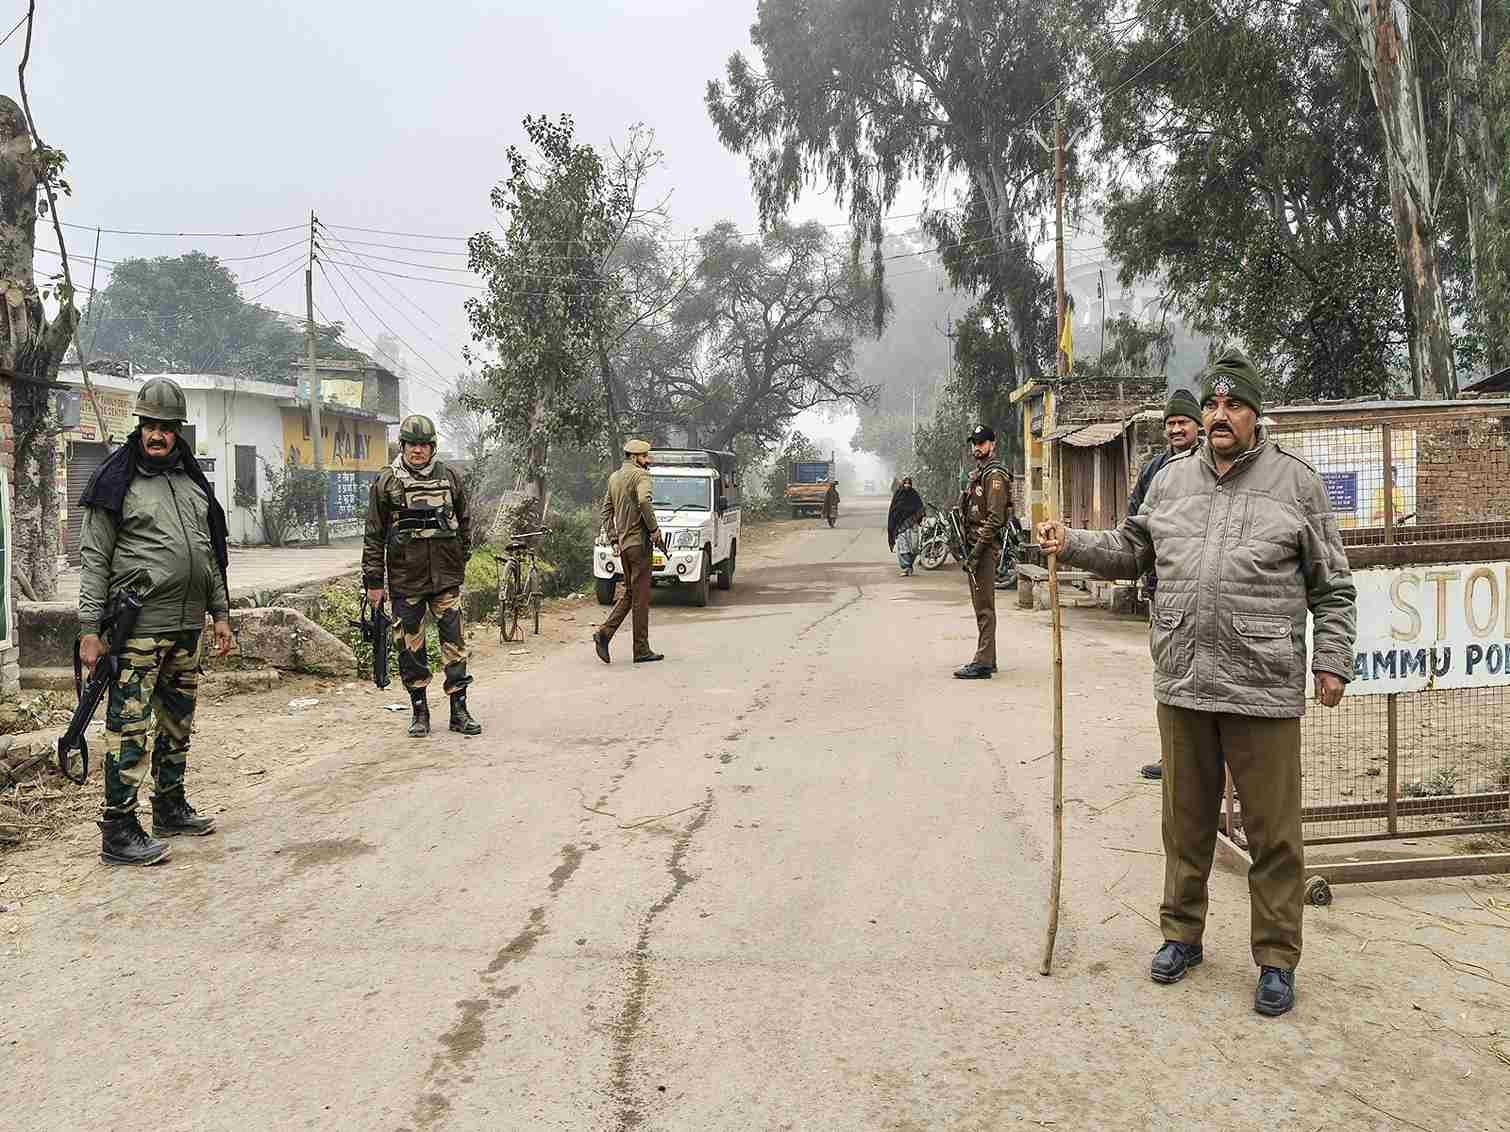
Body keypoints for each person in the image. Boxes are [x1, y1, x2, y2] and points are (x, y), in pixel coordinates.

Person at [1037, 347, 1356, 1018]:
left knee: (1274, 834)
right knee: (1184, 824)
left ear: (1255, 414)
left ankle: (1276, 958)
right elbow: (1131, 550)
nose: (1219, 415)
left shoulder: (1296, 484)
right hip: (1182, 678)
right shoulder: (1171, 480)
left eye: (1233, 405)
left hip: (1262, 685)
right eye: (1211, 404)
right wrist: (1071, 542)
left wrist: (1331, 660)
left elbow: (1333, 587)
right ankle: (1181, 935)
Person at [77, 377, 234, 866]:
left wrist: (221, 613)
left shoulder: (191, 482)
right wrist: (89, 629)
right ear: (139, 426)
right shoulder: (115, 481)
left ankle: (169, 806)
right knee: (130, 729)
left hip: (187, 626)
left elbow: (208, 555)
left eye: (166, 427)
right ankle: (119, 830)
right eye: (150, 425)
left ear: (177, 431)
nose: (157, 435)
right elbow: (94, 560)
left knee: (177, 723)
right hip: (138, 628)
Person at [363, 414, 482, 739]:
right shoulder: (386, 481)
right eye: (412, 445)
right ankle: (419, 711)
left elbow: (465, 521)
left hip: (445, 578)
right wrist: (374, 582)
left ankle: (459, 711)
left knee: (455, 644)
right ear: (402, 446)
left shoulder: (449, 477)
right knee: (410, 648)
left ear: (432, 447)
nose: (417, 450)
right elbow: (374, 535)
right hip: (406, 579)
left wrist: (460, 557)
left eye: (423, 445)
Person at [1129, 388, 1203, 781]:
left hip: (1203, 587)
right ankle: (1172, 757)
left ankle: (1220, 768)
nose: (1176, 429)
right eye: (1171, 423)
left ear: (1198, 426)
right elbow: (1134, 523)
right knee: (1169, 674)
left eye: (1182, 423)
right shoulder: (1153, 470)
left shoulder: (1211, 465)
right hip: (1163, 587)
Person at [593, 439, 668, 664]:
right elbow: (644, 501)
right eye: (645, 457)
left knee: (631, 593)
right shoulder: (641, 476)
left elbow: (606, 512)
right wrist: (654, 530)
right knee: (641, 597)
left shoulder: (614, 478)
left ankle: (604, 633)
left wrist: (614, 539)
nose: (648, 460)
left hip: (625, 546)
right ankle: (641, 649)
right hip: (639, 545)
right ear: (635, 458)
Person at [954, 426, 1012, 680]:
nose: (977, 447)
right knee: (982, 605)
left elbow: (995, 518)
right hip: (976, 545)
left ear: (992, 444)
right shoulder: (980, 473)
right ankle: (990, 658)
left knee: (984, 607)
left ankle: (983, 663)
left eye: (982, 443)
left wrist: (976, 553)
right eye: (975, 443)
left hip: (985, 548)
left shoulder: (994, 475)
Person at [887, 476, 926, 575]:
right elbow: (893, 510)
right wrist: (894, 525)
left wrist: (920, 518)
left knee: (914, 547)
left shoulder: (914, 494)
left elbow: (920, 508)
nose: (907, 485)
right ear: (902, 484)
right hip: (901, 526)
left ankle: (910, 564)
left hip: (913, 524)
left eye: (909, 483)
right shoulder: (898, 495)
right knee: (903, 548)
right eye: (905, 483)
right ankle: (906, 567)